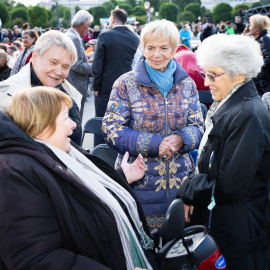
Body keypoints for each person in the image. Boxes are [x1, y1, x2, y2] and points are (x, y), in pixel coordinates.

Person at [0, 86, 158, 270]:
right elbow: (36, 259)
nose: (74, 124)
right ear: (39, 127)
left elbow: (79, 196)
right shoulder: (15, 173)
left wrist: (122, 177)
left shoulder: (62, 154)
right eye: (65, 117)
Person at [178, 34, 270, 270]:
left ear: (239, 75)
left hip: (240, 232)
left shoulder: (247, 114)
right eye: (205, 74)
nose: (206, 83)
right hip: (229, 224)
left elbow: (229, 185)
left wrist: (188, 189)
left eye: (213, 75)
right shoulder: (234, 104)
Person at [102, 20, 204, 233]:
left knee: (177, 249)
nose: (157, 54)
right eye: (150, 47)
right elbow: (111, 129)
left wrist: (180, 139)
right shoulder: (125, 83)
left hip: (181, 183)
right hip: (139, 182)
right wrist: (154, 144)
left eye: (164, 48)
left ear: (175, 49)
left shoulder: (187, 84)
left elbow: (198, 126)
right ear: (143, 48)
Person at [0, 30, 83, 146]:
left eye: (65, 67)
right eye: (53, 62)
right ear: (34, 57)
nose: (59, 72)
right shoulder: (6, 96)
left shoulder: (70, 92)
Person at [92, 8, 140, 132]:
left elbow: (97, 64)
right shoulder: (135, 38)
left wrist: (96, 86)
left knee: (102, 121)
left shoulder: (105, 36)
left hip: (105, 86)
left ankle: (99, 150)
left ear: (112, 19)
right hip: (127, 86)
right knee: (122, 123)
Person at [65, 10, 93, 118]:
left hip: (71, 83)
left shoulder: (70, 35)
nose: (89, 29)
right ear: (82, 25)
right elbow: (77, 65)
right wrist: (97, 67)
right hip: (75, 85)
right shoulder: (75, 38)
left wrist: (87, 61)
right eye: (88, 25)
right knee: (75, 121)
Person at [243, 14, 270, 95]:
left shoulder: (264, 39)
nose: (249, 27)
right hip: (260, 83)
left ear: (257, 28)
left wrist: (256, 68)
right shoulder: (259, 40)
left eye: (251, 25)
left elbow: (269, 58)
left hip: (263, 85)